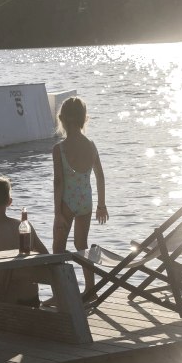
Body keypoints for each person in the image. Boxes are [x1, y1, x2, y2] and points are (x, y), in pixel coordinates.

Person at [51, 96, 107, 297]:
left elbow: (59, 182)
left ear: (62, 119)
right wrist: (102, 205)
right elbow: (100, 175)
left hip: (67, 201)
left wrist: (57, 213)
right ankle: (90, 288)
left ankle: (61, 294)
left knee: (58, 249)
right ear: (84, 119)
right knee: (81, 245)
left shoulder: (59, 149)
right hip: (86, 201)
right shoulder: (91, 145)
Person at [0, 176, 48, 307]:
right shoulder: (26, 226)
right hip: (32, 300)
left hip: (7, 304)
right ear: (9, 202)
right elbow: (46, 258)